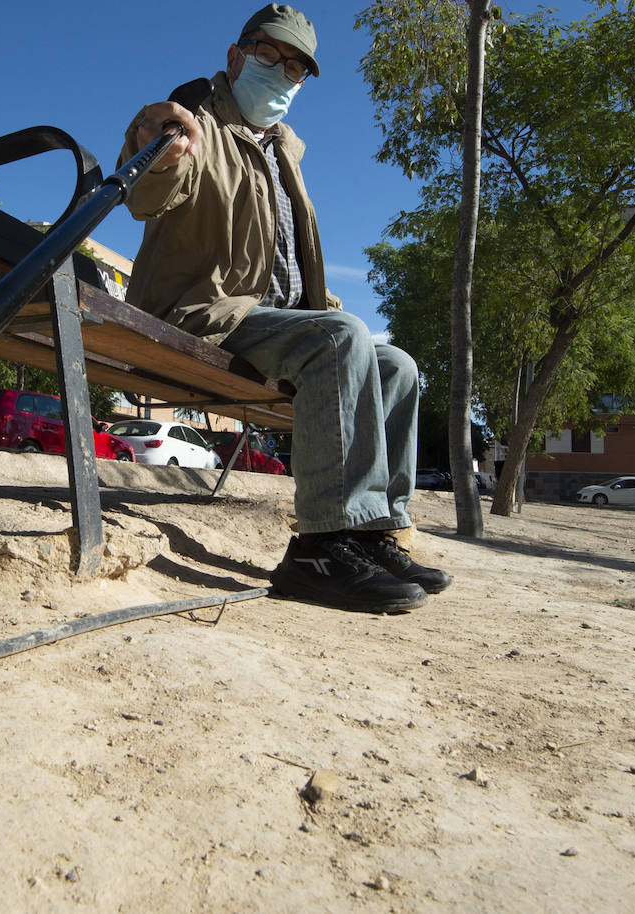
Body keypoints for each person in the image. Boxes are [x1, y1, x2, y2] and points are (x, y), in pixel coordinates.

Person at [119, 3, 451, 613]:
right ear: (235, 56)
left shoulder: (284, 152)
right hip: (203, 311)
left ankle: (374, 534)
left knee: (397, 367)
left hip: (273, 322)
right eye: (268, 54)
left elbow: (288, 259)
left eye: (295, 67)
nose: (280, 72)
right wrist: (154, 145)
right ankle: (320, 548)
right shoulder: (195, 122)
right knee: (339, 338)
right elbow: (144, 193)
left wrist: (326, 306)